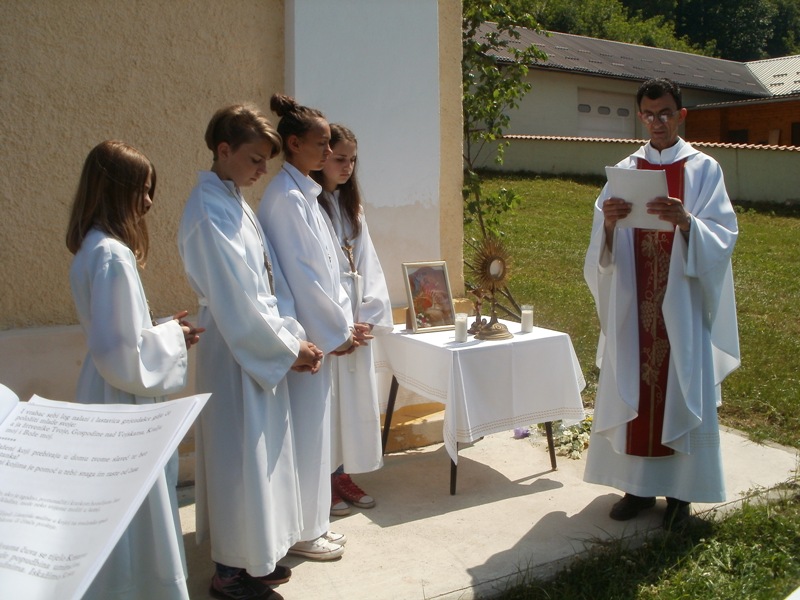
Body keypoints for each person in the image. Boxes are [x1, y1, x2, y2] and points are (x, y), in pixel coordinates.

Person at [178, 104, 323, 600]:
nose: (263, 170)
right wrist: (286, 348)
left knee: (263, 458)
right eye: (256, 159)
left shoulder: (234, 199)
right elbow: (234, 297)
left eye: (266, 161)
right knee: (239, 456)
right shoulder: (207, 208)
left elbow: (269, 278)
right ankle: (228, 572)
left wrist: (291, 334)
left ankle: (255, 558)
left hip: (260, 342)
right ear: (224, 150)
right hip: (234, 347)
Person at [583, 78, 741, 531]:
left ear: (681, 114)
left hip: (680, 304)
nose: (658, 122)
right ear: (640, 116)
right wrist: (609, 226)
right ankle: (637, 487)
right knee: (636, 385)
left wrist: (687, 221)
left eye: (666, 113)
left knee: (678, 387)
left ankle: (680, 494)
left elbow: (724, 236)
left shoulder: (704, 170)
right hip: (636, 307)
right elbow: (600, 251)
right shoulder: (624, 169)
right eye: (650, 114)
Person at [66, 140, 203, 599]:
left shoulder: (92, 248)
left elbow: (119, 335)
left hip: (104, 391)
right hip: (120, 401)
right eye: (142, 191)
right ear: (115, 189)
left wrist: (159, 329)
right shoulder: (112, 255)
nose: (148, 202)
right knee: (135, 508)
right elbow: (123, 355)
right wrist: (173, 338)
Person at [259, 94, 370, 560]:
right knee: (305, 436)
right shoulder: (285, 199)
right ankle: (304, 533)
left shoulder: (306, 194)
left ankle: (312, 524)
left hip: (318, 336)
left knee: (315, 435)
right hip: (305, 340)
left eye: (332, 147)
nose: (329, 156)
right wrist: (334, 333)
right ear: (294, 144)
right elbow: (302, 278)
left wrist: (343, 324)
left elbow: (328, 271)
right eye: (322, 146)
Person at [310, 124, 393, 517]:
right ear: (321, 158)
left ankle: (342, 473)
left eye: (352, 160)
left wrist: (368, 318)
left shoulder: (351, 206)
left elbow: (369, 265)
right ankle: (322, 479)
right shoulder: (309, 205)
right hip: (330, 324)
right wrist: (340, 325)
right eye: (340, 158)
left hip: (355, 323)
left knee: (351, 406)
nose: (347, 166)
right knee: (326, 407)